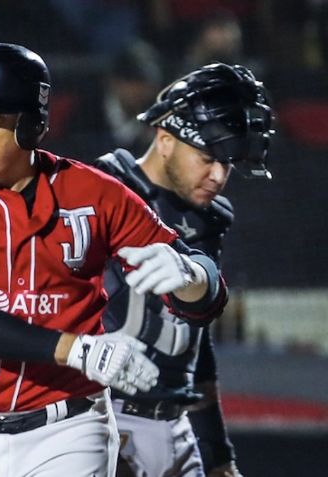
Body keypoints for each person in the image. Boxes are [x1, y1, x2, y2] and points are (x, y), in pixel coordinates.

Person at [0, 43, 229, 477]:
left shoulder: (94, 193)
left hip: (68, 430)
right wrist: (78, 349)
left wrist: (193, 276)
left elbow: (206, 293)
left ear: (32, 127)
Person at [94, 63, 274, 477]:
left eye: (227, 163)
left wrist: (217, 453)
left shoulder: (210, 219)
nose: (219, 175)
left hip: (176, 427)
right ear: (165, 139)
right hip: (104, 418)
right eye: (208, 158)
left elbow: (195, 344)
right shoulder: (101, 189)